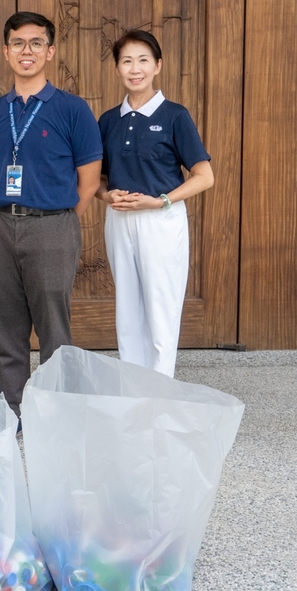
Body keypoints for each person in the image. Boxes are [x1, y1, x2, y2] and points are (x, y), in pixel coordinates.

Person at [0, 11, 102, 420]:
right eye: (18, 43)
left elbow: (89, 180)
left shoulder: (72, 109)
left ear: (50, 51)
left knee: (53, 329)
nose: (26, 51)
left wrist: (54, 216)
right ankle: (13, 410)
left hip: (52, 227)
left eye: (36, 43)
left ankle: (57, 412)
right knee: (6, 328)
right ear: (5, 51)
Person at [96, 30, 214, 377]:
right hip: (119, 220)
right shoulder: (108, 121)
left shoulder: (175, 116)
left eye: (143, 60)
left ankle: (160, 394)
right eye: (127, 61)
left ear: (158, 66)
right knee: (128, 311)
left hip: (161, 220)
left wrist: (160, 201)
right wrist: (106, 195)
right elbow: (99, 179)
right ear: (117, 68)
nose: (135, 68)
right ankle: (135, 391)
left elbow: (204, 176)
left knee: (161, 310)